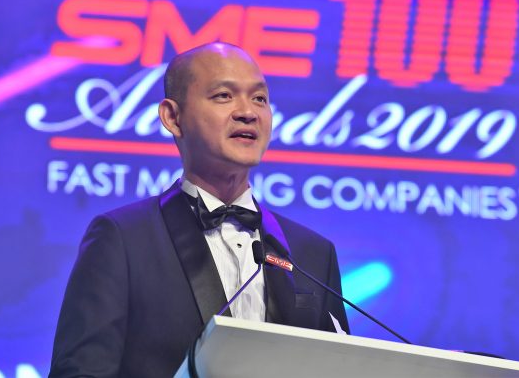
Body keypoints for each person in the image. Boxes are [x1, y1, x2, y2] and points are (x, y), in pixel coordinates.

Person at [49, 42, 349, 377]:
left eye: (259, 98)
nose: (248, 112)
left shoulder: (313, 254)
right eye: (224, 95)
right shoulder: (122, 240)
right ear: (172, 117)